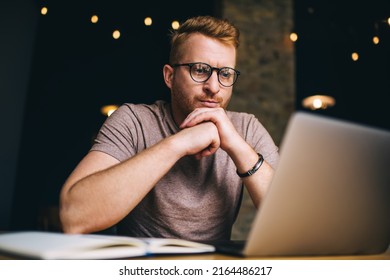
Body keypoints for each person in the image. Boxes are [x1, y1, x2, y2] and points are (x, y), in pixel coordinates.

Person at [59, 15, 279, 242]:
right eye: (200, 70)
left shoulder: (246, 128)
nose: (214, 87)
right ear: (169, 76)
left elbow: (291, 219)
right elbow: (74, 216)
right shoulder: (134, 121)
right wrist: (179, 143)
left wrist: (236, 145)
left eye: (225, 74)